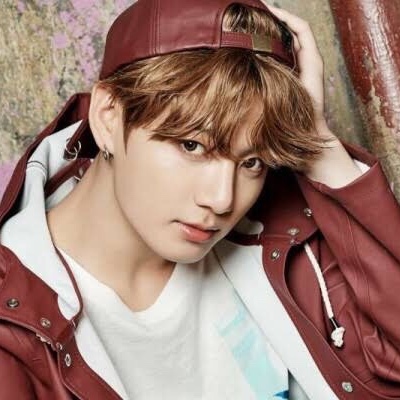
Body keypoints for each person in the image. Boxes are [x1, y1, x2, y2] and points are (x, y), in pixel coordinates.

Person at [0, 0, 399, 399]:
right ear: (109, 117)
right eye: (192, 146)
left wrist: (320, 149)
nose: (222, 200)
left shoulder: (279, 236)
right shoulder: (13, 338)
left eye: (252, 162)